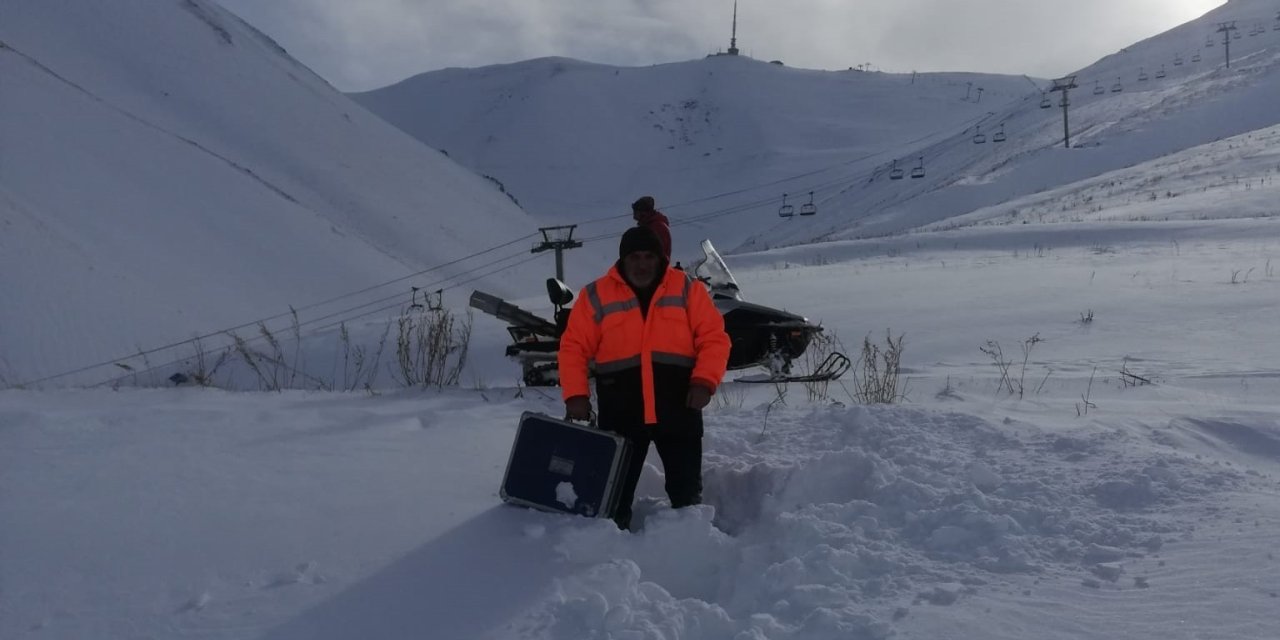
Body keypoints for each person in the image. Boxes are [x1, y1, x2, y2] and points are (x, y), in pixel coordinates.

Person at [558, 226, 731, 530]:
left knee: (686, 494)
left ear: (660, 259)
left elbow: (715, 338)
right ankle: (611, 555)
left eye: (649, 256)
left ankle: (692, 544)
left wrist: (704, 381)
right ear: (622, 260)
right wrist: (576, 395)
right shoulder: (594, 295)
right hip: (621, 411)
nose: (642, 264)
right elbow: (573, 348)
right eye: (634, 257)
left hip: (679, 407)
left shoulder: (687, 289)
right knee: (613, 496)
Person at [631, 196, 672, 262]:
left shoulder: (657, 227)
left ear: (643, 212)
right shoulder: (648, 226)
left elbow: (657, 252)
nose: (634, 216)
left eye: (635, 212)